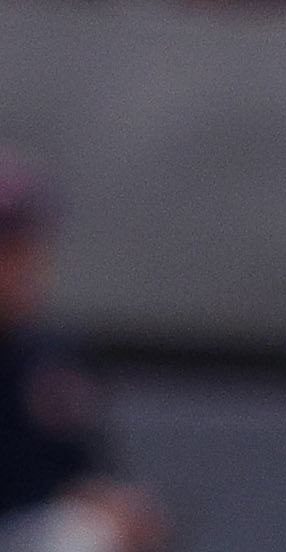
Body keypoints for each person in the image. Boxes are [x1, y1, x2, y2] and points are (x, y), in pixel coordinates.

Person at [0, 155, 163, 552]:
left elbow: (83, 472)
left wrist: (111, 504)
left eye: (28, 246)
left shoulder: (50, 356)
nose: (23, 265)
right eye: (8, 248)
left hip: (24, 529)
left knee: (84, 533)